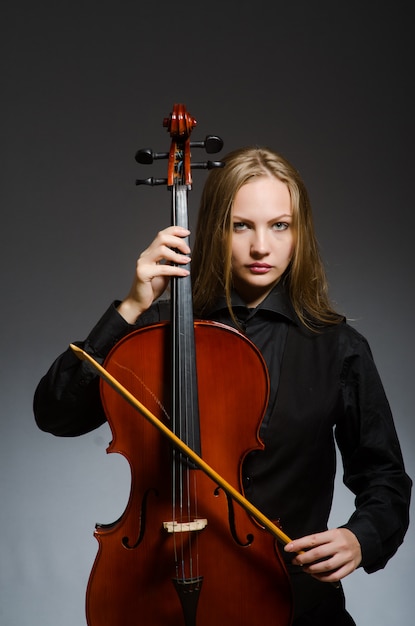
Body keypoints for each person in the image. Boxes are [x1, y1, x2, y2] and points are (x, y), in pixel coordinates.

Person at [34, 146, 411, 625]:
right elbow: (55, 413)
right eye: (241, 226)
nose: (261, 247)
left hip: (295, 600)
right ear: (215, 229)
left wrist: (362, 536)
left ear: (300, 234)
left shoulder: (337, 347)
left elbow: (385, 477)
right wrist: (130, 305)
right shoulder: (155, 337)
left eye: (280, 225)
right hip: (155, 586)